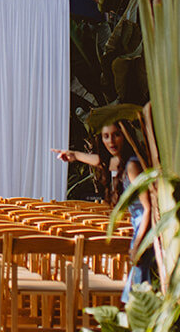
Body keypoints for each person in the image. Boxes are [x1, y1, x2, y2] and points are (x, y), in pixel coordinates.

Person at [53, 121, 155, 299]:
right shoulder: (124, 161)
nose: (111, 141)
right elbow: (102, 162)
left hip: (145, 230)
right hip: (141, 228)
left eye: (116, 135)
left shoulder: (132, 165)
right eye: (106, 136)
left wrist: (139, 242)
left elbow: (149, 208)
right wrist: (75, 155)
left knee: (138, 292)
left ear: (126, 135)